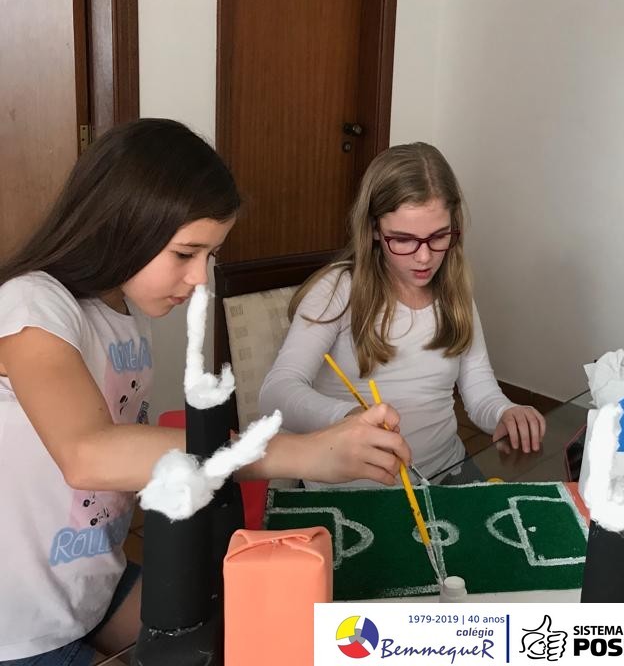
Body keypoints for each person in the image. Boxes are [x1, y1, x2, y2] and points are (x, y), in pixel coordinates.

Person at [0, 119, 410, 665]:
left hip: (92, 583)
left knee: (239, 638)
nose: (200, 278)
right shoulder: (32, 304)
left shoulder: (125, 316)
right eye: (185, 253)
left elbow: (146, 455)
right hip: (18, 623)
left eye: (210, 256)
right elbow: (87, 453)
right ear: (122, 224)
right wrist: (303, 452)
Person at [259, 142, 546, 486]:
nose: (424, 257)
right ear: (374, 229)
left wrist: (504, 412)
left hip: (445, 470)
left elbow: (479, 388)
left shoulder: (454, 292)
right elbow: (276, 392)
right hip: (355, 487)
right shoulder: (338, 291)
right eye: (403, 239)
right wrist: (348, 417)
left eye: (438, 236)